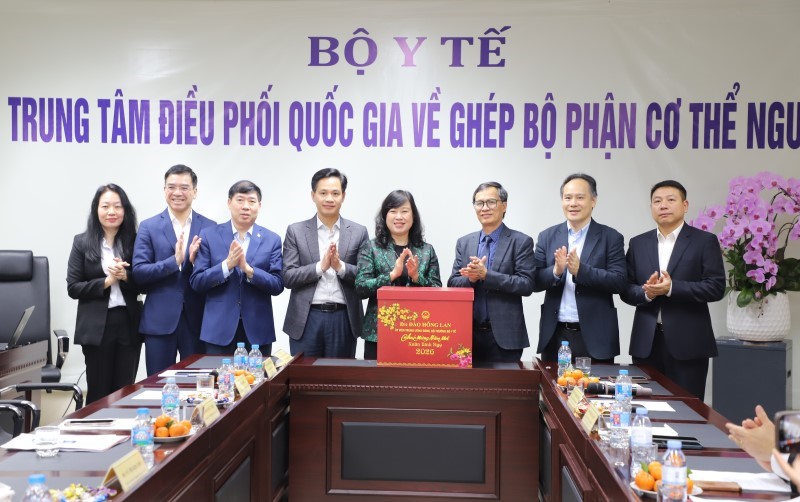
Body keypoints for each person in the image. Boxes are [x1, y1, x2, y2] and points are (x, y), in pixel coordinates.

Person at [621, 180, 725, 400]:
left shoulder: (704, 241)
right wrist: (647, 293)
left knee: (687, 409)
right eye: (657, 201)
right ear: (651, 207)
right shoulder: (638, 243)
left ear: (685, 205)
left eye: (670, 200)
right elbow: (626, 289)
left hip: (689, 343)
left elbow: (716, 287)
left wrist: (672, 288)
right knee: (645, 407)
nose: (663, 205)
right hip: (646, 343)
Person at [132, 164, 216, 375]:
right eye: (171, 187)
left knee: (198, 383)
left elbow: (214, 274)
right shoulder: (148, 226)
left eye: (184, 187)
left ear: (195, 192)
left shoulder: (210, 227)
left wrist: (195, 263)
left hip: (197, 320)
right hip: (159, 321)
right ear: (164, 190)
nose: (177, 192)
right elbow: (139, 273)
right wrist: (174, 262)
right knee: (157, 385)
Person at [534, 173, 626, 363]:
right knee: (554, 383)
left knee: (594, 384)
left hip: (595, 337)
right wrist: (556, 271)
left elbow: (619, 281)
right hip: (555, 335)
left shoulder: (610, 237)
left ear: (593, 201)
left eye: (580, 197)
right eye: (568, 198)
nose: (573, 203)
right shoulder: (547, 236)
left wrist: (581, 271)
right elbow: (533, 281)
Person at [189, 180, 283, 355]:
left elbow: (277, 285)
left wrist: (250, 271)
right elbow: (197, 282)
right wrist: (226, 266)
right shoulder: (209, 235)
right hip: (218, 330)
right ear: (229, 203)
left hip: (257, 330)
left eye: (251, 201)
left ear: (259, 206)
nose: (245, 206)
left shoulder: (272, 240)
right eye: (240, 200)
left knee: (258, 374)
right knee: (218, 374)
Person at [282, 168, 369, 358]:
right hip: (306, 318)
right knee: (304, 375)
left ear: (343, 196)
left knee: (340, 375)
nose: (329, 198)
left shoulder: (358, 232)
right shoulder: (296, 231)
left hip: (343, 318)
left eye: (335, 193)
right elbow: (288, 277)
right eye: (323, 193)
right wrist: (319, 267)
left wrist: (340, 267)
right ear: (313, 195)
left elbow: (365, 277)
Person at [67, 184, 141, 404]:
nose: (111, 212)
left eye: (117, 206)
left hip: (128, 323)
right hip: (96, 326)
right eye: (105, 206)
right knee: (98, 392)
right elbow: (73, 287)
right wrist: (107, 281)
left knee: (124, 392)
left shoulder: (135, 241)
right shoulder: (81, 242)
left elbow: (146, 282)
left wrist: (125, 276)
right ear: (96, 209)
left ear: (125, 210)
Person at [447, 181, 535, 365]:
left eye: (491, 202)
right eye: (479, 203)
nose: (484, 208)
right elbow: (453, 282)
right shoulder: (464, 242)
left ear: (504, 205)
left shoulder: (520, 241)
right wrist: (471, 279)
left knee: (505, 384)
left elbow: (526, 284)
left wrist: (487, 275)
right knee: (466, 385)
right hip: (468, 335)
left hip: (504, 337)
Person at [355, 190, 441, 360]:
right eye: (393, 211)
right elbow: (361, 287)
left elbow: (438, 291)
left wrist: (417, 277)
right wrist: (391, 275)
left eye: (404, 211)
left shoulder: (426, 250)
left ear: (413, 216)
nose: (399, 217)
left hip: (417, 333)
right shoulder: (371, 247)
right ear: (385, 216)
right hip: (378, 333)